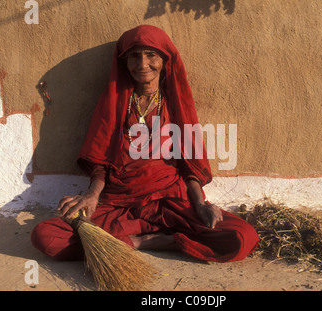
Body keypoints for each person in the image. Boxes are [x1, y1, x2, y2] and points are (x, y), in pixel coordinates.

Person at [31, 25, 259, 263]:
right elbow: (101, 160)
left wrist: (200, 205)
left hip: (169, 200)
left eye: (151, 55)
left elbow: (189, 160)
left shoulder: (175, 103)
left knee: (243, 237)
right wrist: (91, 196)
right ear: (124, 62)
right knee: (46, 236)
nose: (142, 63)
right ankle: (149, 240)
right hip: (118, 201)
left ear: (164, 60)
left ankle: (130, 239)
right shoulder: (115, 101)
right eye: (134, 56)